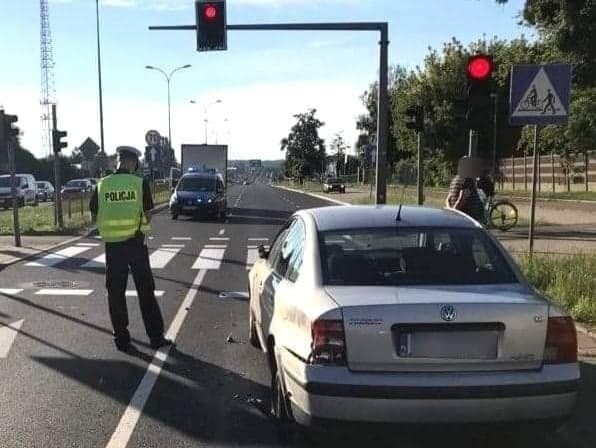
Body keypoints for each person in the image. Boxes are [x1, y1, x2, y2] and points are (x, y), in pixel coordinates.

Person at [90, 146, 172, 352]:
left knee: (115, 293)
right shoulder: (138, 183)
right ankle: (155, 337)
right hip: (135, 245)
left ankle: (122, 339)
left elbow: (93, 213)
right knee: (146, 292)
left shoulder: (101, 185)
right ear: (132, 162)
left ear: (118, 161)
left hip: (112, 248)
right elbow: (147, 213)